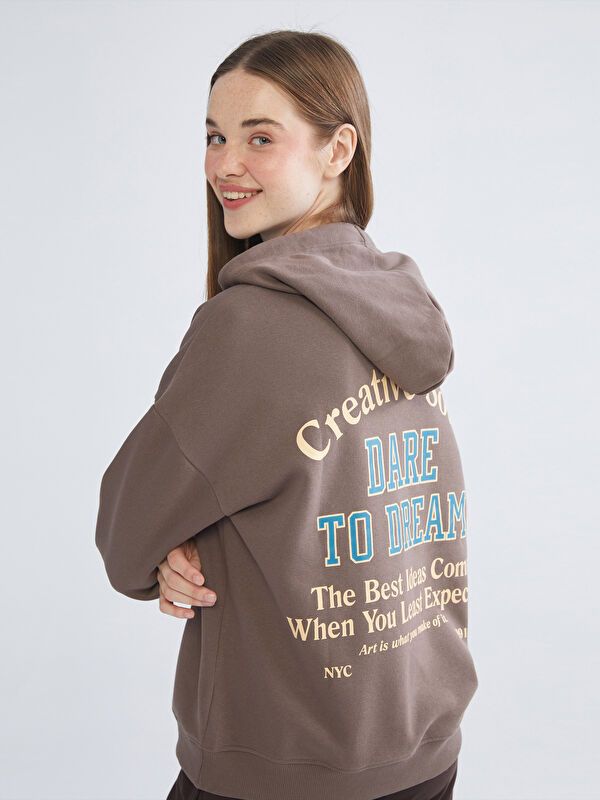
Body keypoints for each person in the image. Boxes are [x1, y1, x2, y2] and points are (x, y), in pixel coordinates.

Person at [94, 29, 478, 800]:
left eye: (259, 138)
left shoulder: (248, 330)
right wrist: (192, 541)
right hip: (423, 752)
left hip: (282, 767)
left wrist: (168, 545)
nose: (224, 164)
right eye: (215, 136)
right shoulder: (401, 299)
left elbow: (124, 532)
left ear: (339, 150)